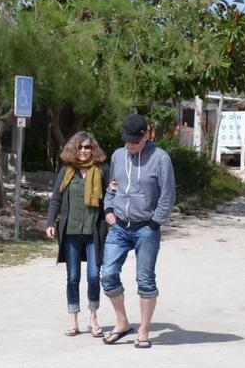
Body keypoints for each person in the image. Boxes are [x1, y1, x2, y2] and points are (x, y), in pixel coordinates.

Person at [101, 114, 175, 349]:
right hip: (119, 226)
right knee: (108, 274)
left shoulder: (161, 158)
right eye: (127, 141)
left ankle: (143, 330)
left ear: (146, 135)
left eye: (134, 141)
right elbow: (112, 184)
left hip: (146, 228)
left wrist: (155, 223)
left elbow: (167, 194)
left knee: (145, 280)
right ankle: (122, 322)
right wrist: (108, 207)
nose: (130, 145)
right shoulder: (117, 155)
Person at [45, 131, 110, 338]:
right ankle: (73, 320)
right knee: (72, 277)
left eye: (87, 147)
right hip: (71, 231)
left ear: (93, 149)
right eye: (80, 147)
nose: (83, 151)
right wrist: (50, 222)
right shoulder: (66, 171)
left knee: (93, 275)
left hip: (94, 231)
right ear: (74, 149)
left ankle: (93, 318)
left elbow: (110, 198)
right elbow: (56, 199)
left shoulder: (102, 170)